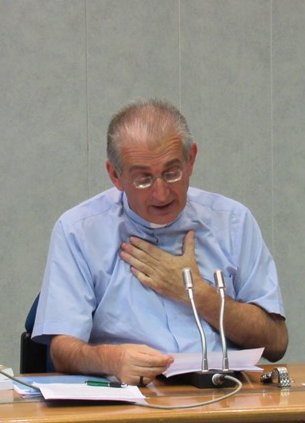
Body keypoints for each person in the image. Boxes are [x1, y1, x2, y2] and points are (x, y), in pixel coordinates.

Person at [32, 98, 288, 386]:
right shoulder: (78, 231)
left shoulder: (233, 222)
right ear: (115, 175)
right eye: (143, 179)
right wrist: (110, 359)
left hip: (223, 395)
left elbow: (276, 342)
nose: (161, 193)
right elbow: (62, 350)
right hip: (132, 398)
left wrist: (197, 294)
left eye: (171, 173)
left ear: (191, 160)